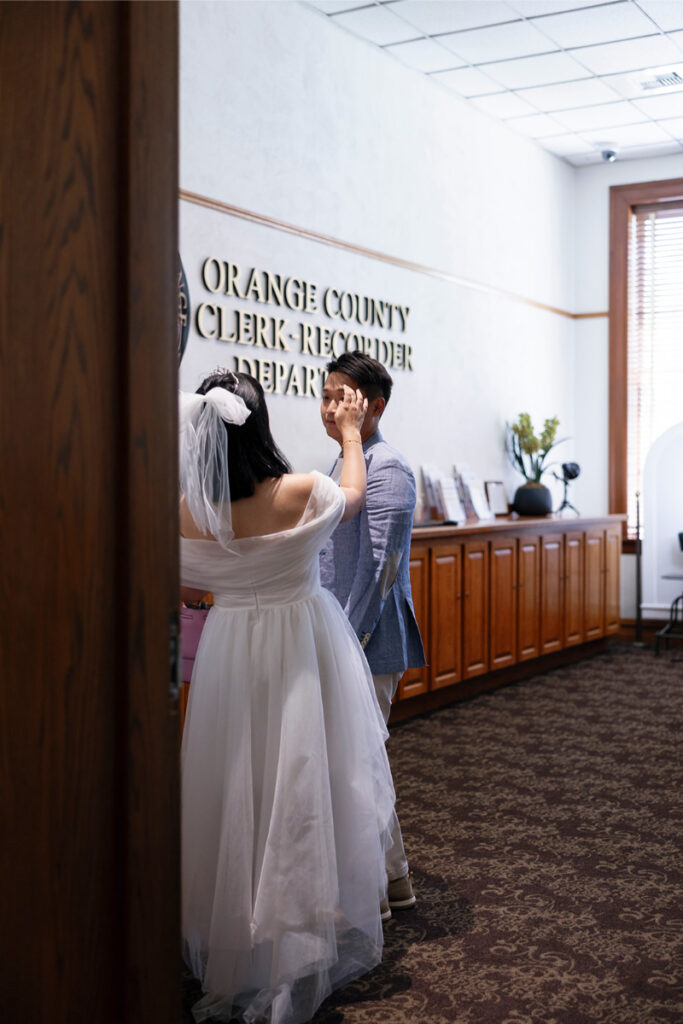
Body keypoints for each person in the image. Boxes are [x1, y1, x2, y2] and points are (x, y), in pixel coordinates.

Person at [179, 369, 395, 1024]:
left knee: (236, 782)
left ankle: (240, 939)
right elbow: (354, 494)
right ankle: (293, 938)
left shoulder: (187, 513)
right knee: (298, 783)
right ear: (260, 423)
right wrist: (352, 435)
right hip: (300, 647)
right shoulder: (300, 491)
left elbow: (182, 582)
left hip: (229, 652)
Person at [319, 352, 426, 918]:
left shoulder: (387, 468)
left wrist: (352, 639)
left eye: (345, 397)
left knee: (358, 764)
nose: (331, 407)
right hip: (341, 633)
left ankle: (379, 890)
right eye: (328, 395)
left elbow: (383, 565)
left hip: (368, 639)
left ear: (374, 406)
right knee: (359, 762)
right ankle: (394, 881)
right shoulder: (346, 461)